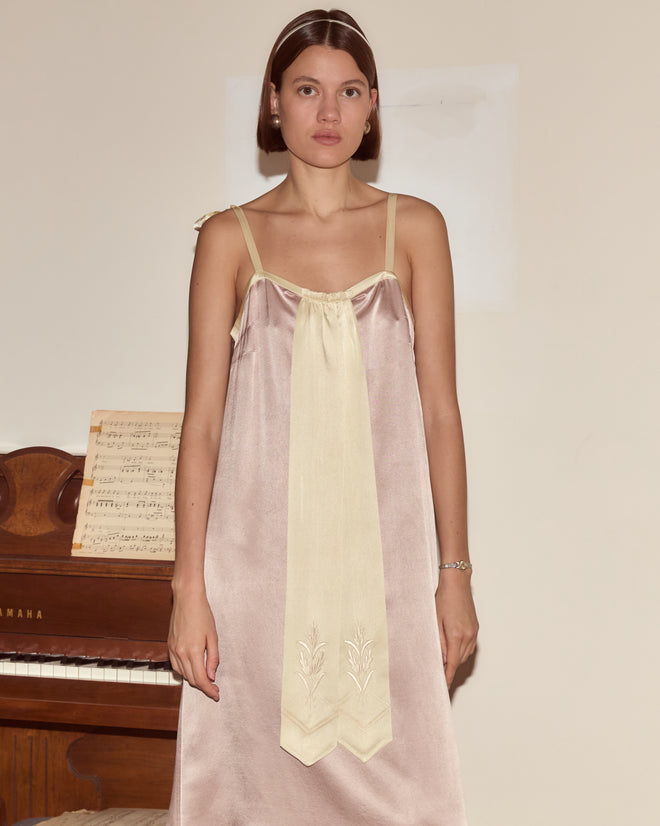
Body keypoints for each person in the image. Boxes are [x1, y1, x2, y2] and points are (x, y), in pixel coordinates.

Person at [167, 8, 478, 825]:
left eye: (347, 92)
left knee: (410, 795)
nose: (328, 113)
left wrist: (454, 577)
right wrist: (188, 588)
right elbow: (200, 426)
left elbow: (441, 416)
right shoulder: (229, 239)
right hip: (256, 577)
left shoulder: (416, 229)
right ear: (274, 103)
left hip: (387, 576)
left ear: (373, 105)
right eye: (307, 90)